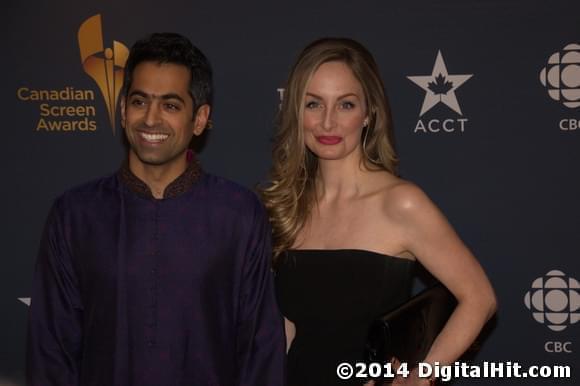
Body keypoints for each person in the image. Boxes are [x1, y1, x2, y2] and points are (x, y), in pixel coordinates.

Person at [27, 32, 285, 386]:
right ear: (122, 110)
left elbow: (261, 353)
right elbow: (51, 355)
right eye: (139, 101)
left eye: (171, 105)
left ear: (199, 118)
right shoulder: (74, 216)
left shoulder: (239, 214)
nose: (151, 119)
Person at [261, 37, 497, 386]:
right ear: (296, 111)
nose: (327, 122)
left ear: (369, 113)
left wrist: (423, 377)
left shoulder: (401, 202)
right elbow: (290, 330)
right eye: (313, 104)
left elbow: (480, 298)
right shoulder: (287, 207)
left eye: (345, 105)